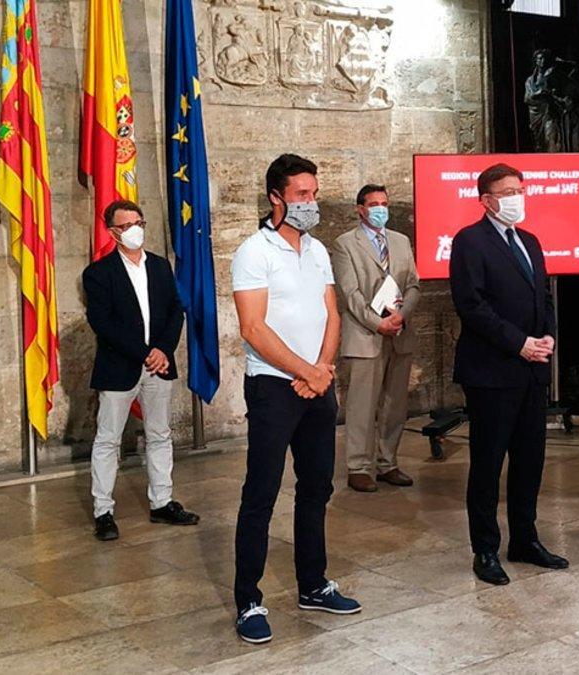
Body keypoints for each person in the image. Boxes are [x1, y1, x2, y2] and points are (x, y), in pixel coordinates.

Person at [231, 154, 361, 644]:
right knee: (260, 495)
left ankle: (313, 584)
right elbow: (253, 327)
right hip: (273, 387)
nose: (311, 202)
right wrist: (304, 371)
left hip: (317, 386)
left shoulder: (318, 250)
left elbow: (332, 314)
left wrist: (322, 370)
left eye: (313, 193)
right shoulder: (253, 251)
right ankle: (248, 601)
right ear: (276, 198)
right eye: (301, 195)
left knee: (316, 488)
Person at [449, 163, 569, 586]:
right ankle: (485, 549)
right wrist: (519, 342)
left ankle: (525, 539)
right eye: (507, 191)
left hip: (533, 370)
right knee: (487, 463)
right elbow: (472, 305)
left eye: (520, 189)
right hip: (491, 372)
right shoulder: (469, 242)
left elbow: (544, 297)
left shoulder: (531, 241)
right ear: (486, 200)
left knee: (529, 461)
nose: (517, 197)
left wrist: (548, 338)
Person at [82, 200, 200, 542]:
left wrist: (163, 350)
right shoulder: (99, 273)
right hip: (120, 367)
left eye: (139, 222)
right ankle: (103, 511)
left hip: (158, 366)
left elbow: (175, 312)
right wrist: (146, 353)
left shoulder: (161, 267)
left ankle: (162, 502)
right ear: (112, 232)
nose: (135, 230)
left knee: (160, 434)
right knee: (108, 439)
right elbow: (103, 323)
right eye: (126, 225)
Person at [331, 184, 421, 492]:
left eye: (384, 203)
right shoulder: (346, 244)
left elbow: (413, 285)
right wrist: (377, 323)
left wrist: (400, 317)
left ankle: (387, 463)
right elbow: (350, 294)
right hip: (365, 334)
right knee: (362, 405)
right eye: (373, 204)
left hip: (399, 332)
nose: (380, 208)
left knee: (395, 403)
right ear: (360, 209)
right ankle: (358, 466)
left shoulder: (400, 241)